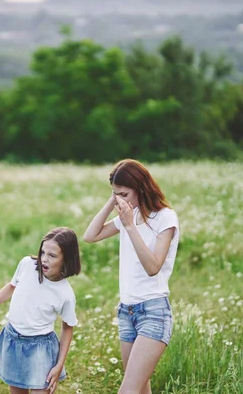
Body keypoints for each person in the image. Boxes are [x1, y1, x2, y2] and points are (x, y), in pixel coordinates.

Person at [83, 159, 179, 394]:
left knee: (127, 391)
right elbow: (90, 236)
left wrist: (129, 226)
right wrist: (113, 200)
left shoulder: (165, 217)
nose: (121, 200)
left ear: (141, 188)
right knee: (139, 389)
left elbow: (153, 266)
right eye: (116, 195)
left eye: (125, 193)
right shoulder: (129, 215)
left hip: (153, 312)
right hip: (127, 312)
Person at [0, 227, 81, 393]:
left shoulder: (65, 293)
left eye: (52, 256)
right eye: (43, 252)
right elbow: (11, 286)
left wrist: (59, 365)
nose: (44, 259)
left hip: (41, 347)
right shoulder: (26, 265)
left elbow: (67, 328)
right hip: (13, 339)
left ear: (66, 259)